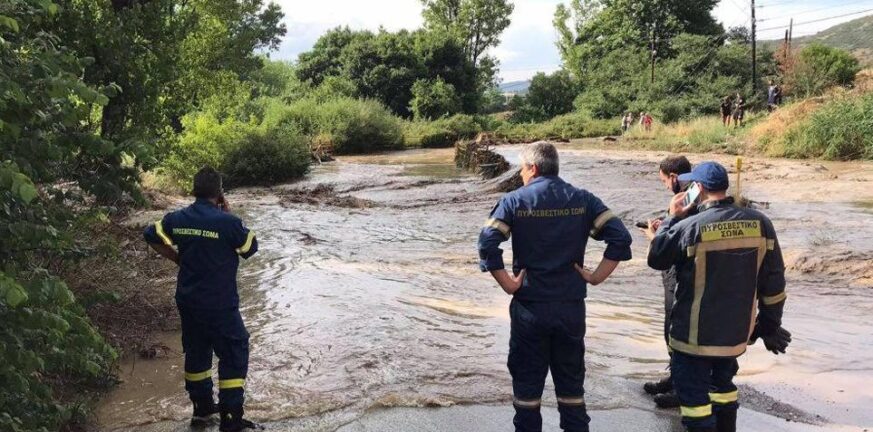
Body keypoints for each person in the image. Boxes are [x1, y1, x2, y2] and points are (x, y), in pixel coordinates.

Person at [478, 142, 633, 432]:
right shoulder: (583, 199)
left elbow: (487, 243)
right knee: (571, 389)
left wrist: (508, 285)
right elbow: (620, 239)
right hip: (570, 308)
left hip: (530, 308)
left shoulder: (514, 201)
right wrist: (596, 276)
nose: (522, 175)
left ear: (533, 168)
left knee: (527, 392)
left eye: (523, 169)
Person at [647, 162, 791, 432]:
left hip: (693, 337)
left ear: (698, 189)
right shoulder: (761, 223)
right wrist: (767, 326)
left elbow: (658, 258)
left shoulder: (689, 226)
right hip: (734, 336)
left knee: (695, 405)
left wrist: (671, 218)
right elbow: (774, 284)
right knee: (723, 390)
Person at [143, 166, 262, 432]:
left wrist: (177, 258)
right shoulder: (228, 222)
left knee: (197, 354)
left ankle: (202, 409)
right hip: (220, 304)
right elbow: (249, 248)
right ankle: (231, 420)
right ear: (219, 193)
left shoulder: (178, 218)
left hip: (189, 302)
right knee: (233, 353)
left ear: (194, 190)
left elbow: (150, 235)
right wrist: (228, 216)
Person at [640, 155, 693, 409]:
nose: (664, 185)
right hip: (682, 271)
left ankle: (681, 387)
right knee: (672, 328)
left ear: (673, 177)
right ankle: (676, 379)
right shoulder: (693, 194)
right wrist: (666, 224)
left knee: (675, 328)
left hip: (679, 273)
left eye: (663, 181)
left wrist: (655, 235)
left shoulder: (685, 198)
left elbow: (672, 243)